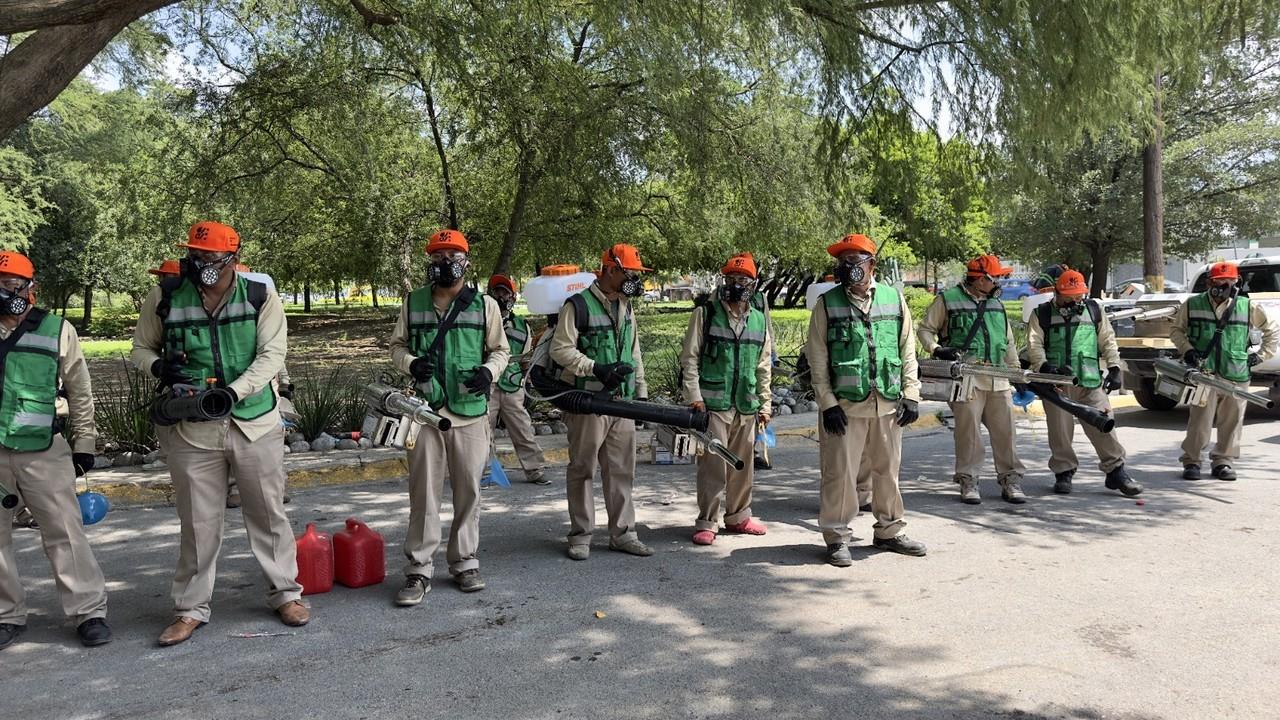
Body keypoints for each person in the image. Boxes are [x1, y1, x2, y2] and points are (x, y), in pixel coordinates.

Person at [132, 221, 306, 647]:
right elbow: (141, 348)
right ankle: (190, 609)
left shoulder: (260, 295)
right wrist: (159, 368)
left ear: (232, 257)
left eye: (210, 257)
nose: (201, 264)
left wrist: (234, 391)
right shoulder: (166, 296)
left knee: (268, 514)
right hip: (192, 429)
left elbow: (272, 355)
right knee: (197, 522)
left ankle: (286, 594)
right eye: (195, 255)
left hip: (254, 421)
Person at [389, 229, 509, 605]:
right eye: (438, 256)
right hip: (425, 413)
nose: (445, 263)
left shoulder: (485, 305)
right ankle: (419, 570)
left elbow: (501, 350)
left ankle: (464, 562)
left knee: (468, 491)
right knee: (423, 493)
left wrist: (489, 372)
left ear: (466, 261)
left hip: (469, 412)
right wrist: (412, 364)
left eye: (452, 256)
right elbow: (397, 347)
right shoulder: (413, 303)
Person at [0, 251, 111, 650]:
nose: (4, 292)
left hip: (43, 450)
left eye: (12, 284)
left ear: (31, 288)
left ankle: (88, 612)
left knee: (65, 532)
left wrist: (84, 443)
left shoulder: (55, 329)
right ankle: (5, 614)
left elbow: (80, 391)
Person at [806, 233, 927, 567]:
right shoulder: (827, 304)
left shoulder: (893, 298)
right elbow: (817, 358)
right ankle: (836, 536)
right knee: (840, 474)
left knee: (888, 471)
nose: (847, 267)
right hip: (845, 406)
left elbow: (907, 350)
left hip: (887, 402)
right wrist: (827, 403)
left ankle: (889, 531)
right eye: (842, 261)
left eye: (853, 260)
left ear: (871, 263)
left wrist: (911, 394)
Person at [549, 243, 653, 560]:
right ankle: (581, 536)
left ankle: (623, 533)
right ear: (611, 269)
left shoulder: (626, 306)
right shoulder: (577, 306)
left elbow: (633, 351)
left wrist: (641, 392)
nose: (634, 279)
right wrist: (596, 368)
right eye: (630, 273)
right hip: (588, 402)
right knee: (582, 468)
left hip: (621, 401)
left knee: (621, 469)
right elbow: (560, 350)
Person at [918, 254, 1027, 504]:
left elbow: (1007, 340)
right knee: (968, 434)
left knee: (1006, 432)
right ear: (981, 280)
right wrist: (935, 349)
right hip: (966, 379)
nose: (1000, 282)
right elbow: (925, 329)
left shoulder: (996, 305)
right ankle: (969, 480)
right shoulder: (948, 300)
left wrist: (1016, 371)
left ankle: (1011, 480)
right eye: (996, 277)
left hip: (998, 378)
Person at [679, 252, 772, 545]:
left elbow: (763, 365)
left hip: (746, 404)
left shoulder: (758, 320)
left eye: (743, 280)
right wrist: (694, 397)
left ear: (753, 284)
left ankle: (739, 517)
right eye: (731, 279)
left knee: (743, 465)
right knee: (713, 466)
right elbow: (690, 358)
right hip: (713, 404)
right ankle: (707, 521)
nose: (736, 284)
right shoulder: (705, 314)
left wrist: (765, 403)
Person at [1026, 270, 1142, 496]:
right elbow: (1034, 344)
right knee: (1059, 430)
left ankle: (1116, 471)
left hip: (1089, 380)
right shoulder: (1042, 314)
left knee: (1103, 422)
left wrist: (1115, 368)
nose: (1075, 300)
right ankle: (1064, 471)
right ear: (1058, 292)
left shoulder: (1094, 310)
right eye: (1070, 296)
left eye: (1079, 295)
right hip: (1057, 382)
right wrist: (1044, 366)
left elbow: (1107, 340)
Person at [1171, 261, 1279, 480]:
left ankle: (1223, 461)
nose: (1222, 287)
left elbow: (1272, 331)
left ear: (1236, 283)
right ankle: (1192, 461)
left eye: (1227, 282)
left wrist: (1260, 356)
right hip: (1204, 374)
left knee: (1232, 421)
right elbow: (1176, 331)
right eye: (1218, 282)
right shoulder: (1193, 305)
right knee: (1199, 420)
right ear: (1210, 282)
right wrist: (1187, 350)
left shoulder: (1246, 306)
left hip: (1236, 374)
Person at [485, 275, 548, 485]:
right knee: (484, 432)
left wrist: (527, 385)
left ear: (512, 296)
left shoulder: (523, 326)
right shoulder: (481, 321)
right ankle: (485, 473)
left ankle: (535, 470)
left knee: (523, 429)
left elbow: (526, 360)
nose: (501, 296)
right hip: (488, 384)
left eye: (505, 292)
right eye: (497, 292)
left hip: (512, 384)